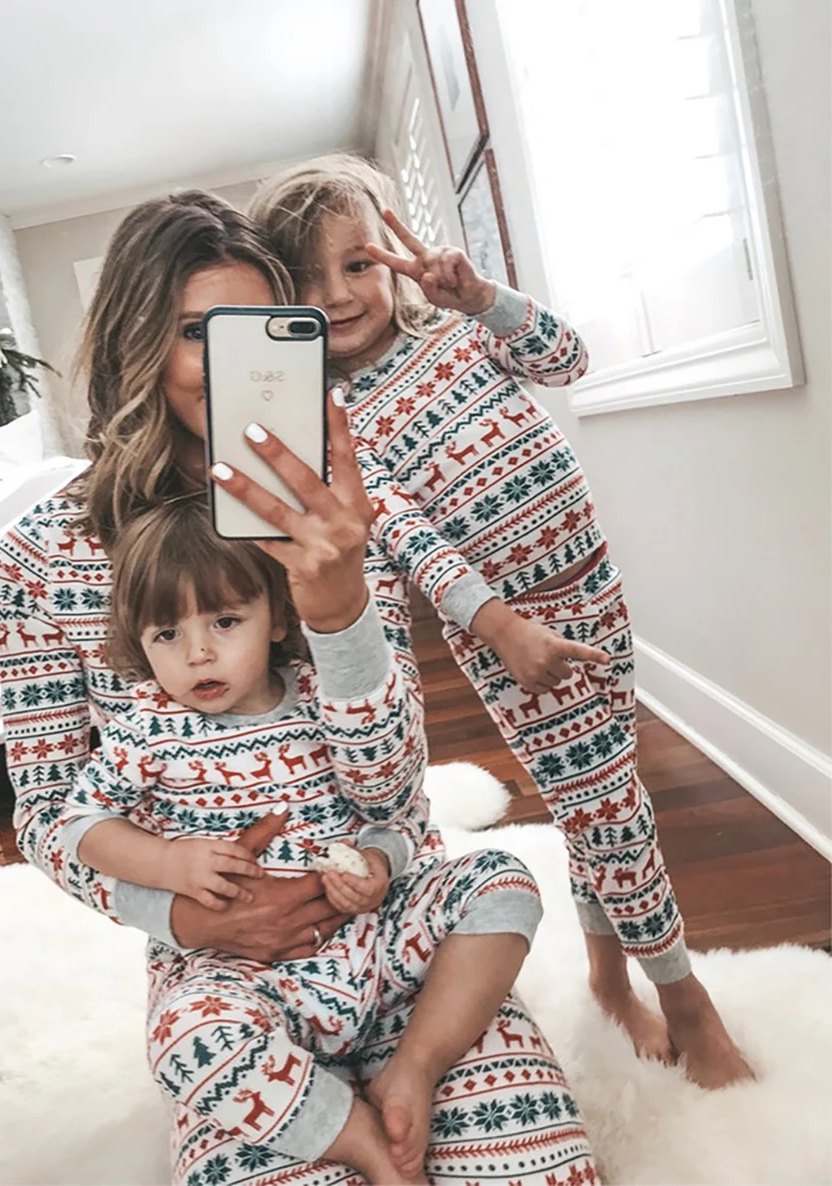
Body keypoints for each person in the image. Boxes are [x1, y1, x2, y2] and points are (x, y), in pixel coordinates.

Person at [0, 190, 599, 1185]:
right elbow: (49, 813)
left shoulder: (343, 508)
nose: (231, 361)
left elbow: (393, 791)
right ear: (136, 343)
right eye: (198, 332)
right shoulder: (40, 557)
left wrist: (338, 607)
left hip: (400, 938)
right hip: (227, 982)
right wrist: (187, 919)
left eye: (258, 330)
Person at [250, 154, 753, 1089]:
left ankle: (608, 977)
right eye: (309, 281)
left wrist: (485, 298)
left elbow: (569, 359)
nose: (340, 294)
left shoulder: (456, 330)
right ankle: (687, 999)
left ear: (395, 254)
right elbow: (406, 536)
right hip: (512, 626)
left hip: (593, 588)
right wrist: (500, 627)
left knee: (598, 800)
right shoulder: (330, 413)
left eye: (358, 264)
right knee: (611, 809)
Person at [60, 489, 549, 1184]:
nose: (198, 653)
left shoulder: (325, 696)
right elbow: (81, 825)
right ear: (136, 642)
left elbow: (396, 816)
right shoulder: (146, 727)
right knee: (183, 1037)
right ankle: (356, 1138)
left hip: (376, 943)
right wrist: (167, 863)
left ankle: (414, 1065)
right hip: (246, 974)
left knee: (502, 880)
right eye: (166, 635)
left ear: (277, 618)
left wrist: (379, 863)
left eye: (225, 621)